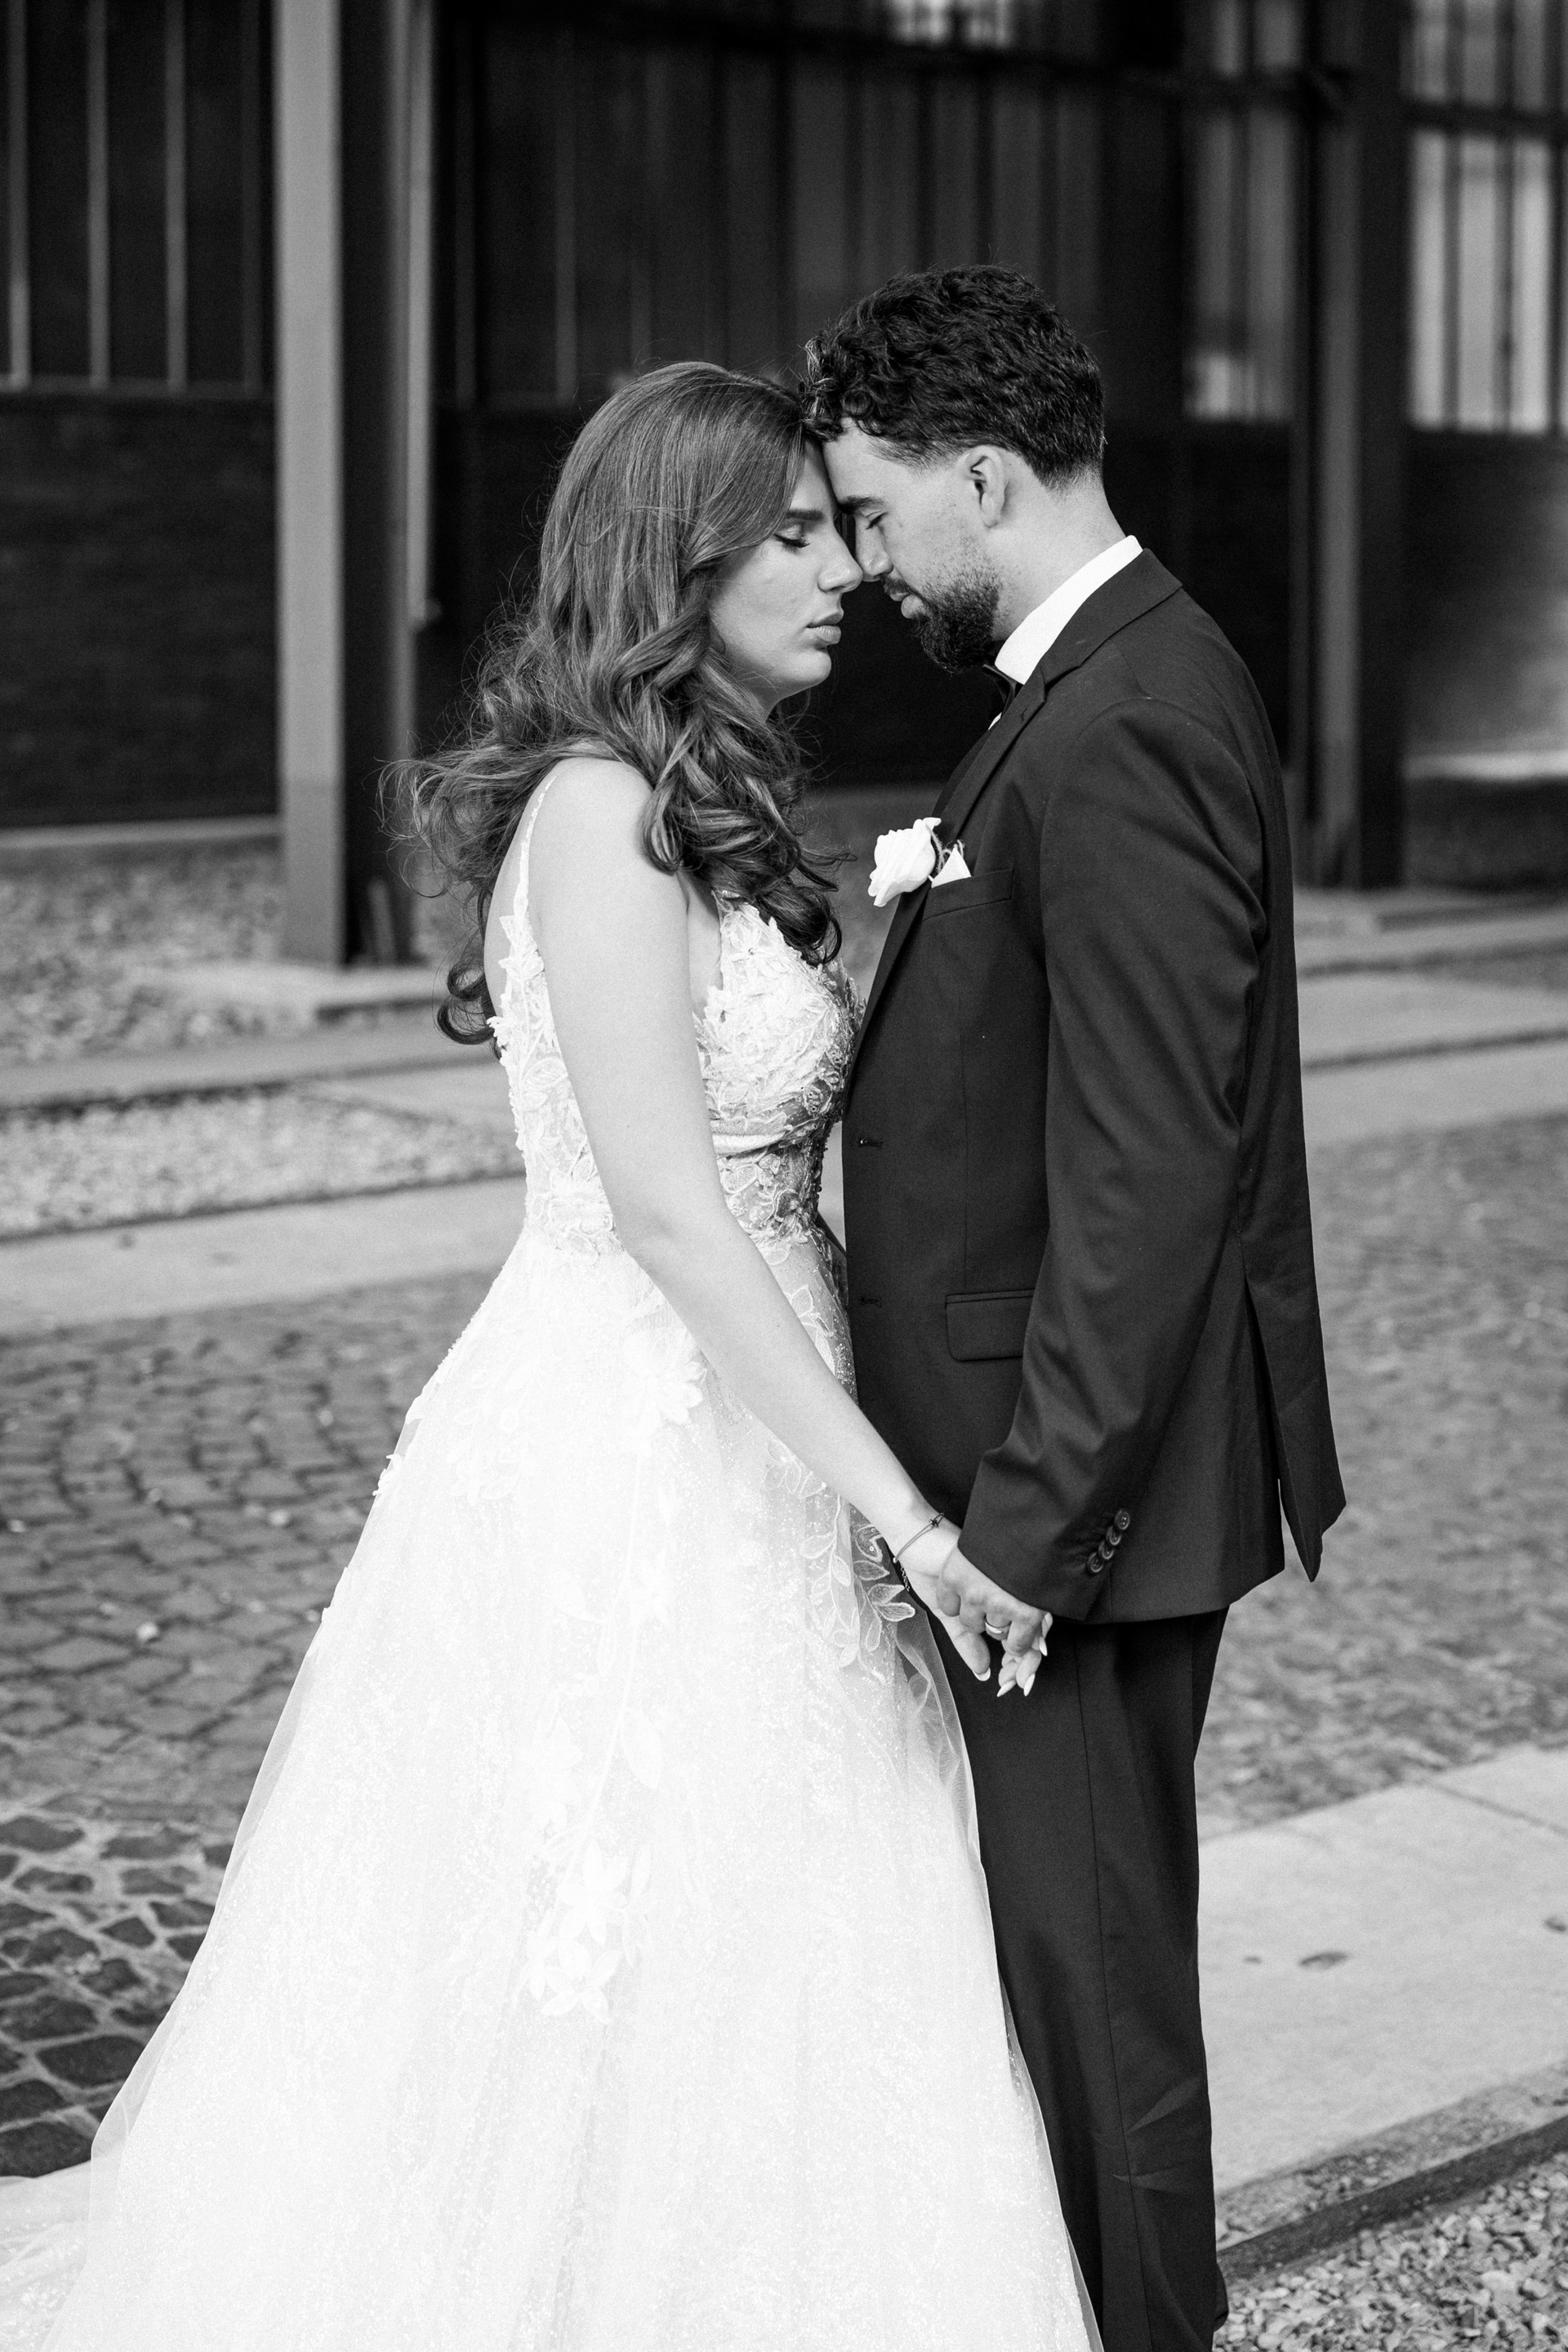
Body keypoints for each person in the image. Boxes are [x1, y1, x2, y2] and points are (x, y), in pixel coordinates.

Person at [0, 363, 1097, 2352]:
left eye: (836, 528)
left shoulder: (706, 798)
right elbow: (671, 1215)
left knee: (778, 1940)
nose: (841, 570)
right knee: (593, 1934)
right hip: (638, 1442)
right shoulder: (599, 814)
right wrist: (915, 1521)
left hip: (774, 1418)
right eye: (790, 535)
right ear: (678, 558)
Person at [805, 269, 1344, 2352]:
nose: (864, 559)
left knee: (1099, 2015)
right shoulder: (1095, 682)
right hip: (1046, 1495)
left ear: (983, 477)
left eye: (871, 513)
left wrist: (1024, 1542)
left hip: (1070, 1526)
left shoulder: (1124, 719)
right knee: (1059, 1992)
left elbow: (1145, 1181)